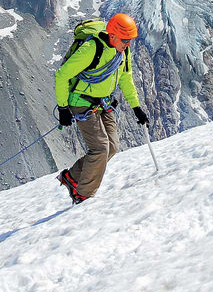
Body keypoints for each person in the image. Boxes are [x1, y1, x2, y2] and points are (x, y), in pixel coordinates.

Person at [55, 13, 149, 204]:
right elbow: (62, 75)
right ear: (112, 36)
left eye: (130, 40)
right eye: (125, 40)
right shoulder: (92, 48)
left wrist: (136, 107)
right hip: (80, 102)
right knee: (100, 148)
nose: (128, 44)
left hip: (103, 102)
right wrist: (63, 108)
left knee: (112, 147)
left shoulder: (123, 52)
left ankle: (72, 177)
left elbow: (125, 78)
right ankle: (83, 196)